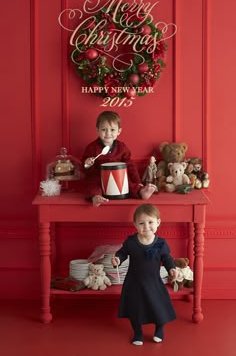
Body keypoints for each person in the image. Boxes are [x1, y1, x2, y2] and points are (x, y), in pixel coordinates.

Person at [111, 203, 177, 346]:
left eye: (150, 222)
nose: (146, 227)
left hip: (154, 282)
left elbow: (167, 258)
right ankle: (138, 333)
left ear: (158, 223)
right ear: (135, 224)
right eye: (141, 223)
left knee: (158, 306)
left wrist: (171, 269)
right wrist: (117, 259)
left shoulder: (160, 243)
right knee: (135, 308)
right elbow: (122, 253)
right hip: (134, 283)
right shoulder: (131, 242)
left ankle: (159, 329)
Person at [82, 111, 157, 207]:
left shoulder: (122, 147)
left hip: (119, 177)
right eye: (104, 129)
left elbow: (130, 166)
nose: (108, 133)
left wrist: (138, 182)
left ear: (119, 131)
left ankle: (141, 192)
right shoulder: (91, 147)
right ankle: (96, 197)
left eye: (112, 130)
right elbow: (84, 167)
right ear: (97, 130)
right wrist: (88, 163)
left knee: (129, 183)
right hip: (99, 175)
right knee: (93, 184)